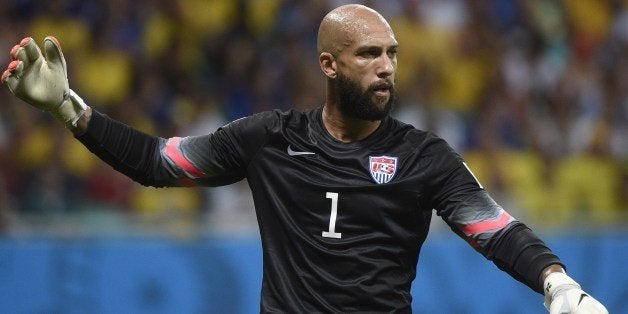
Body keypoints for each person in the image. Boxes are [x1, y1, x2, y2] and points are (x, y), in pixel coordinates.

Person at [1, 4, 608, 314]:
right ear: (328, 65)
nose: (387, 66)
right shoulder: (267, 138)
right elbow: (159, 162)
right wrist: (70, 111)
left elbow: (494, 229)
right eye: (369, 54)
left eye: (392, 53)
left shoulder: (424, 156)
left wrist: (558, 283)